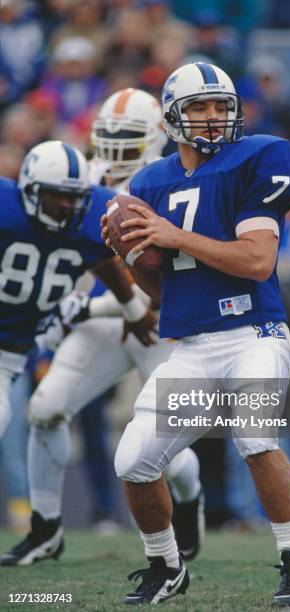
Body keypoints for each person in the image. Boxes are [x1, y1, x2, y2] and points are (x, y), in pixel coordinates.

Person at [102, 62, 290, 606]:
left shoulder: (259, 157)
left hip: (255, 332)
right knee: (133, 461)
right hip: (192, 346)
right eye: (200, 107)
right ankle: (166, 565)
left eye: (222, 106)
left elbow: (256, 260)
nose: (215, 117)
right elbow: (161, 294)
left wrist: (174, 235)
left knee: (254, 436)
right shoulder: (150, 182)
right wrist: (131, 257)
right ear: (174, 117)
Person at [0, 92, 203, 565]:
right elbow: (86, 261)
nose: (116, 150)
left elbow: (169, 277)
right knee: (46, 408)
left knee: (162, 449)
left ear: (157, 139)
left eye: (129, 139)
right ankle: (46, 528)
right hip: (116, 315)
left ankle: (190, 497)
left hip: (160, 324)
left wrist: (121, 308)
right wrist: (95, 306)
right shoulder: (77, 181)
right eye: (108, 138)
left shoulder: (177, 183)